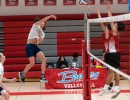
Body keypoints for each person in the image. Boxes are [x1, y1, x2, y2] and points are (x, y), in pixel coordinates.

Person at [96, 3, 125, 99]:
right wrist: (99, 14)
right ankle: (116, 88)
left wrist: (108, 9)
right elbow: (102, 23)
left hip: (113, 54)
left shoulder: (115, 32)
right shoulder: (111, 32)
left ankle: (106, 88)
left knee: (111, 72)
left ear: (116, 27)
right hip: (110, 54)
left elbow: (111, 20)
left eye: (115, 24)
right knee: (116, 71)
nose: (114, 24)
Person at [18, 15, 57, 83]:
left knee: (44, 59)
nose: (43, 22)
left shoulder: (42, 33)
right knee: (32, 63)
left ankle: (42, 76)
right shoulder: (35, 26)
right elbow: (42, 19)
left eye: (44, 23)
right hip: (29, 46)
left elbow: (40, 41)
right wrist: (50, 16)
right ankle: (22, 73)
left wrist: (39, 33)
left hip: (35, 47)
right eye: (42, 22)